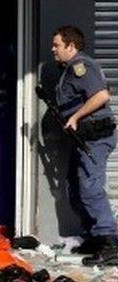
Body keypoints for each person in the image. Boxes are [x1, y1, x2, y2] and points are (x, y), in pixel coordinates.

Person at [49, 25, 118, 266]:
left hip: (95, 137)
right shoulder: (68, 70)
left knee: (89, 188)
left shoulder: (81, 66)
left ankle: (109, 242)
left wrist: (75, 117)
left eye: (57, 45)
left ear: (71, 45)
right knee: (75, 189)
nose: (53, 49)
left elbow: (101, 96)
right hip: (85, 140)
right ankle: (94, 238)